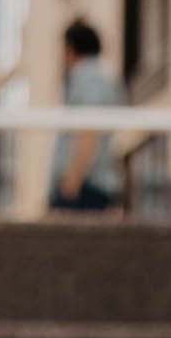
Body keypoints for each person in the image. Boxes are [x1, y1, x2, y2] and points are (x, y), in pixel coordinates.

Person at [48, 16, 126, 215]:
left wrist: (71, 182)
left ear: (70, 49)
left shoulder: (87, 79)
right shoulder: (101, 78)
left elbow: (89, 131)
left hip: (84, 186)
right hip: (88, 184)